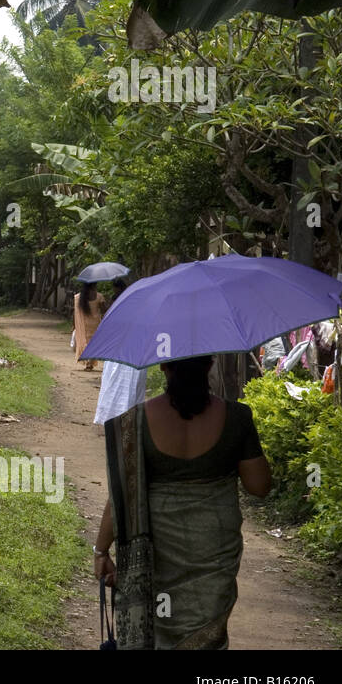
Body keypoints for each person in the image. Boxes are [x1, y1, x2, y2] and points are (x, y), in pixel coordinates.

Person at [94, 355, 271, 649]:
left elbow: (120, 500)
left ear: (163, 366)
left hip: (156, 553)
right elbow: (259, 486)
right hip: (214, 548)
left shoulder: (134, 422)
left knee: (156, 630)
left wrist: (101, 551)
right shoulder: (237, 418)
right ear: (211, 363)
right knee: (205, 634)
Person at [93, 278, 146, 426]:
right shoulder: (124, 317)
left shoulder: (129, 317)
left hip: (129, 358)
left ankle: (119, 420)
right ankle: (119, 420)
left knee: (122, 389)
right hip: (126, 358)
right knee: (120, 388)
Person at [73, 281, 105, 371]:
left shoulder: (78, 297)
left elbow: (74, 313)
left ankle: (87, 362)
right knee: (93, 343)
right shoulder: (99, 296)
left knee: (85, 342)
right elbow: (104, 310)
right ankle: (90, 363)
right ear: (94, 285)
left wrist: (74, 325)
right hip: (95, 323)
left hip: (83, 324)